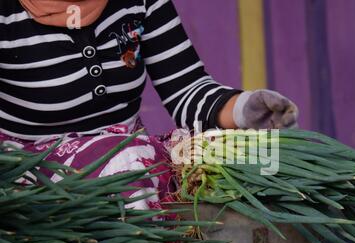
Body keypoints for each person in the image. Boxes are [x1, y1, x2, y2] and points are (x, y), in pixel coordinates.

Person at [0, 0, 299, 208]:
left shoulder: (141, 2)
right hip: (33, 177)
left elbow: (187, 89)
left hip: (135, 161)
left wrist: (243, 108)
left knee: (244, 161)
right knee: (125, 164)